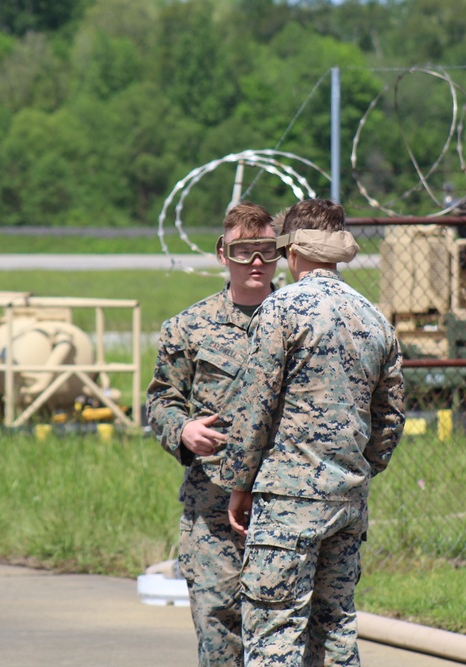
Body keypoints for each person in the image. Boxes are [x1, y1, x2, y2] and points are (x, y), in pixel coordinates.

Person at [224, 199, 406, 667]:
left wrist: (238, 484)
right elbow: (390, 418)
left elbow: (254, 409)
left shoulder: (280, 309)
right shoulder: (374, 319)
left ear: (292, 250)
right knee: (335, 631)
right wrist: (357, 468)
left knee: (275, 629)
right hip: (347, 499)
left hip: (287, 502)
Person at [146, 201, 279, 667]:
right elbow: (161, 399)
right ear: (223, 253)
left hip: (282, 504)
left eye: (267, 249)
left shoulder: (299, 323)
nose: (257, 261)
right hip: (212, 507)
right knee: (219, 629)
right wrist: (182, 430)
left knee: (284, 636)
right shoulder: (189, 327)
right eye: (245, 251)